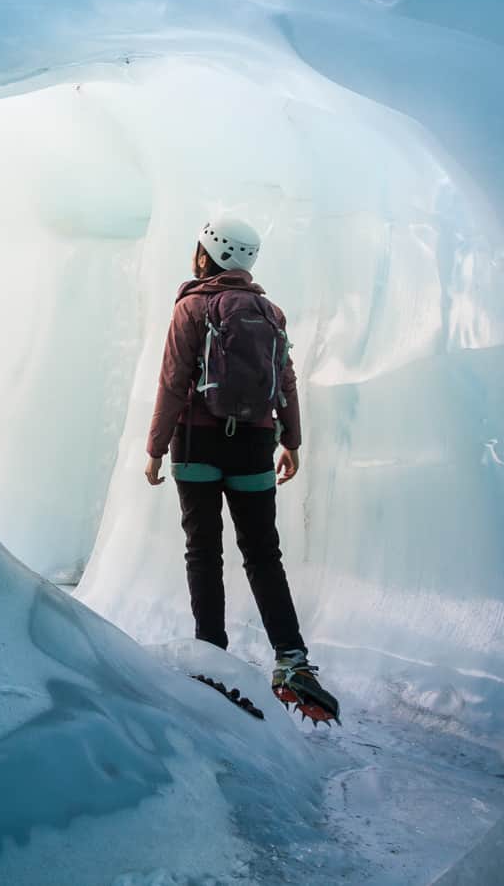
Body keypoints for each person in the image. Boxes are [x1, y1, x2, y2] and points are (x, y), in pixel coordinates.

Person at [142, 216, 338, 722]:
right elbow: (286, 381)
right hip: (254, 445)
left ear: (206, 255)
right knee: (262, 553)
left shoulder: (191, 308)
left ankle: (212, 652)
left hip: (197, 443)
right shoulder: (270, 312)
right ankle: (291, 657)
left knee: (203, 551)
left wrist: (155, 447)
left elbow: (172, 382)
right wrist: (290, 440)